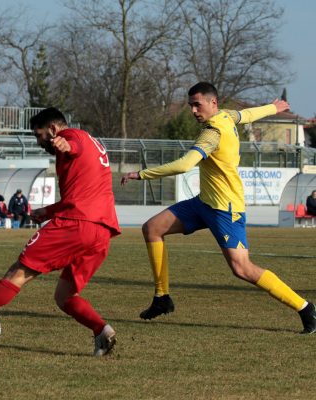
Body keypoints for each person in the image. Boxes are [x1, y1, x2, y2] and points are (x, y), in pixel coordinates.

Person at [120, 82, 316, 334]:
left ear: (213, 103)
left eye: (197, 104)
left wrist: (141, 174)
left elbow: (184, 165)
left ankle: (305, 307)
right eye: (190, 104)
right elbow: (247, 114)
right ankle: (162, 298)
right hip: (204, 203)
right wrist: (273, 107)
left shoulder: (211, 133)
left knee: (241, 268)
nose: (192, 110)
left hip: (225, 208)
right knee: (152, 228)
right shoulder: (226, 115)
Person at [0, 107, 122, 356]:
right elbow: (85, 193)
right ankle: (101, 331)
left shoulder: (73, 138)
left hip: (77, 225)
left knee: (16, 274)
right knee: (65, 296)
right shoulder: (95, 144)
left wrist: (64, 144)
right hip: (102, 231)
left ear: (52, 129)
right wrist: (48, 211)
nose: (39, 142)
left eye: (39, 135)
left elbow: (73, 145)